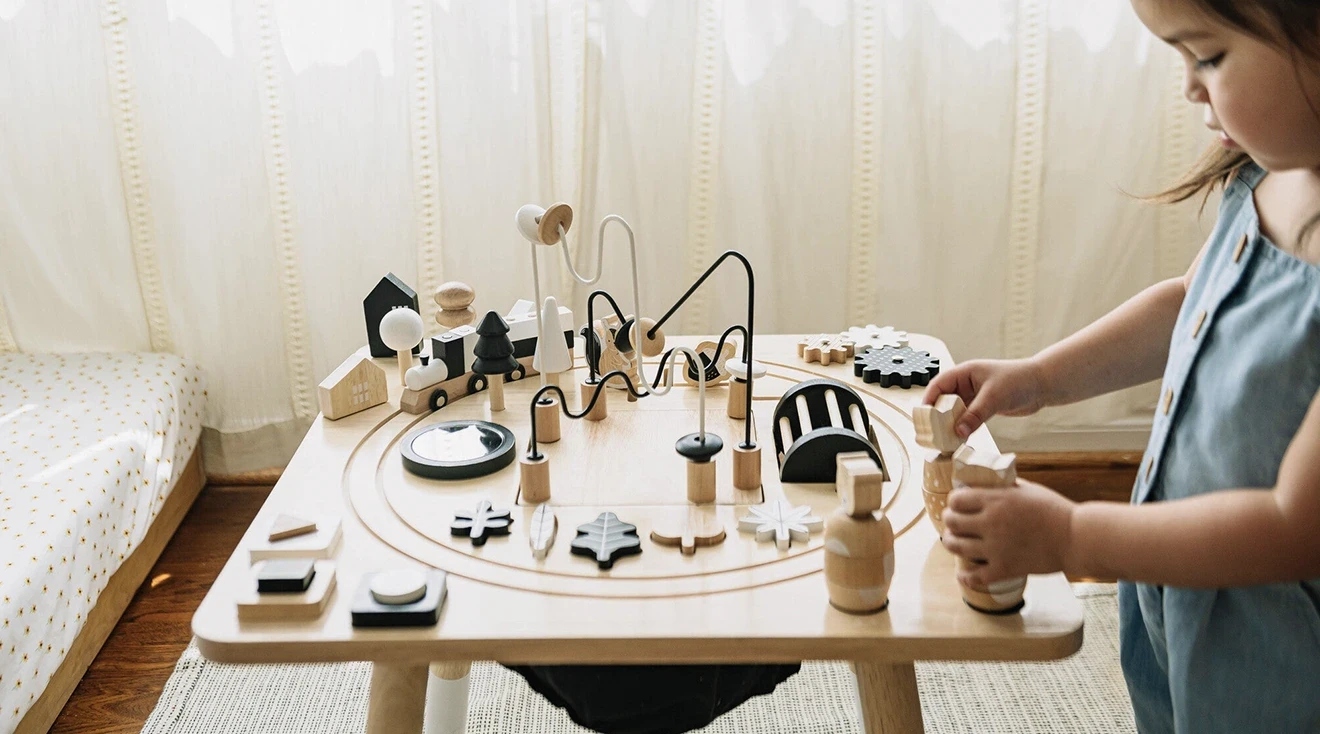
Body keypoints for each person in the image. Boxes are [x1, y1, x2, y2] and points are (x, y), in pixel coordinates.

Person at [928, 1, 1320, 731]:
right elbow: (1186, 303)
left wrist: (1074, 538)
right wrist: (1041, 376)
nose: (1189, 89)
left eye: (1207, 56)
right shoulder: (1271, 175)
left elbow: (1294, 523)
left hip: (1285, 643)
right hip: (1186, 576)